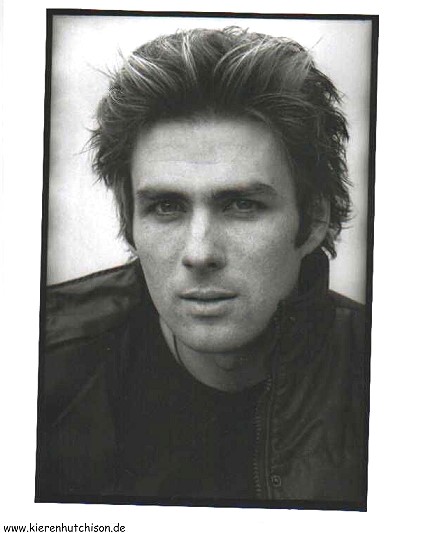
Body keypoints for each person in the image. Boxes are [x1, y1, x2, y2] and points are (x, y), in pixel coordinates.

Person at [36, 27, 370, 510]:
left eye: (242, 205)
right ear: (129, 219)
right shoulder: (41, 362)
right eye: (166, 207)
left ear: (314, 218)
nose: (199, 253)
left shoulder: (386, 375)